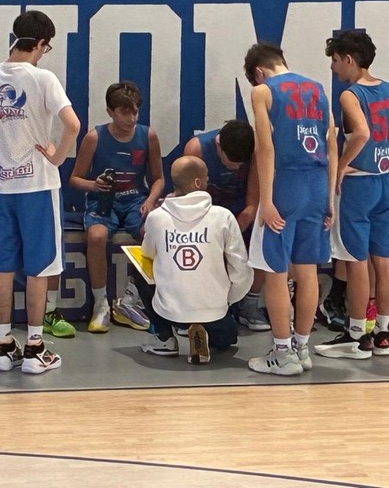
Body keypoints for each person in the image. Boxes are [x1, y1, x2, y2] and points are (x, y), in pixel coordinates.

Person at [0, 10, 80, 374]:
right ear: (41, 44)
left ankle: (4, 346)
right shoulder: (43, 78)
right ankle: (35, 348)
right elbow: (73, 124)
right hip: (38, 187)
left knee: (1, 266)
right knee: (39, 267)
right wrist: (57, 158)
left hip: (2, 188)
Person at [315, 30, 389, 360]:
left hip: (359, 186)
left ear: (349, 60)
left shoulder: (350, 96)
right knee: (383, 259)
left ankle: (356, 336)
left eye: (335, 61)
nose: (333, 68)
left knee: (355, 262)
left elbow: (362, 133)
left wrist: (341, 167)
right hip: (385, 184)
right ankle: (382, 334)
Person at [243, 42, 336, 376]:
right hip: (317, 184)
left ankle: (282, 353)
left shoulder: (263, 92)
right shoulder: (318, 89)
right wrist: (330, 199)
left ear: (258, 73)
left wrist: (266, 200)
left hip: (285, 183)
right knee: (308, 271)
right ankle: (301, 348)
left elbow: (265, 148)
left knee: (276, 272)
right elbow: (332, 143)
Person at [69, 81, 164, 333]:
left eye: (135, 112)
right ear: (110, 111)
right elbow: (75, 179)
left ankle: (132, 297)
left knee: (155, 231)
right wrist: (94, 185)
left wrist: (150, 200)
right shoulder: (94, 137)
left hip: (136, 201)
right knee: (97, 236)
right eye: (125, 112)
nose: (131, 119)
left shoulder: (148, 136)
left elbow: (159, 179)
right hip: (103, 201)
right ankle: (101, 304)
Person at [138, 156, 252, 364]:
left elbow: (147, 253)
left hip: (170, 311)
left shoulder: (156, 217)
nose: (209, 181)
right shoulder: (223, 216)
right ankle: (204, 329)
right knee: (226, 341)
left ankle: (163, 337)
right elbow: (241, 270)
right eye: (206, 177)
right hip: (214, 311)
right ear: (198, 183)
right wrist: (227, 300)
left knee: (139, 267)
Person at [182, 121, 269, 331]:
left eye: (240, 165)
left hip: (239, 215)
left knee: (266, 235)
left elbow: (252, 206)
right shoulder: (196, 150)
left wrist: (229, 239)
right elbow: (190, 204)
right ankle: (194, 307)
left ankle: (249, 304)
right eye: (231, 164)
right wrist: (213, 239)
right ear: (219, 146)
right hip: (205, 214)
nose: (236, 168)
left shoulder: (257, 151)